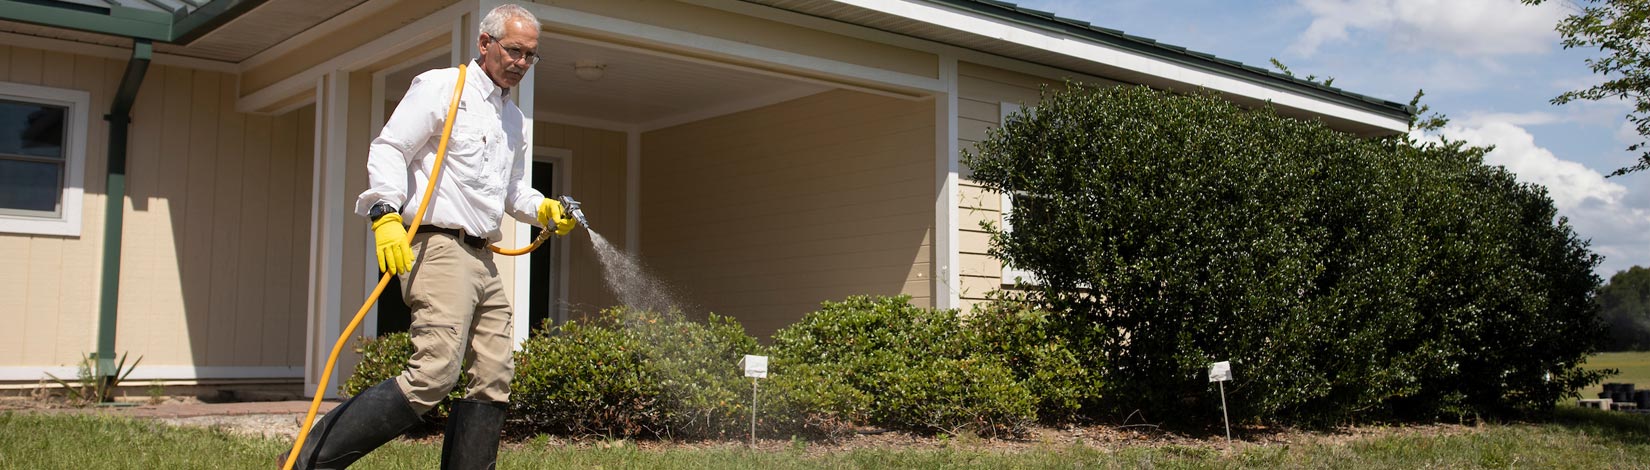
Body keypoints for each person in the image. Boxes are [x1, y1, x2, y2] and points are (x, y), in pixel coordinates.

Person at [281, 4, 575, 469]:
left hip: (484, 258)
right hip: (438, 247)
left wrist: (543, 209)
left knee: (494, 376)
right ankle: (305, 463)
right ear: (485, 44)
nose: (521, 63)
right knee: (434, 374)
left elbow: (512, 189)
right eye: (514, 51)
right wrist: (384, 213)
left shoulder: (513, 120)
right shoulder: (441, 87)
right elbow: (391, 147)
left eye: (530, 56)